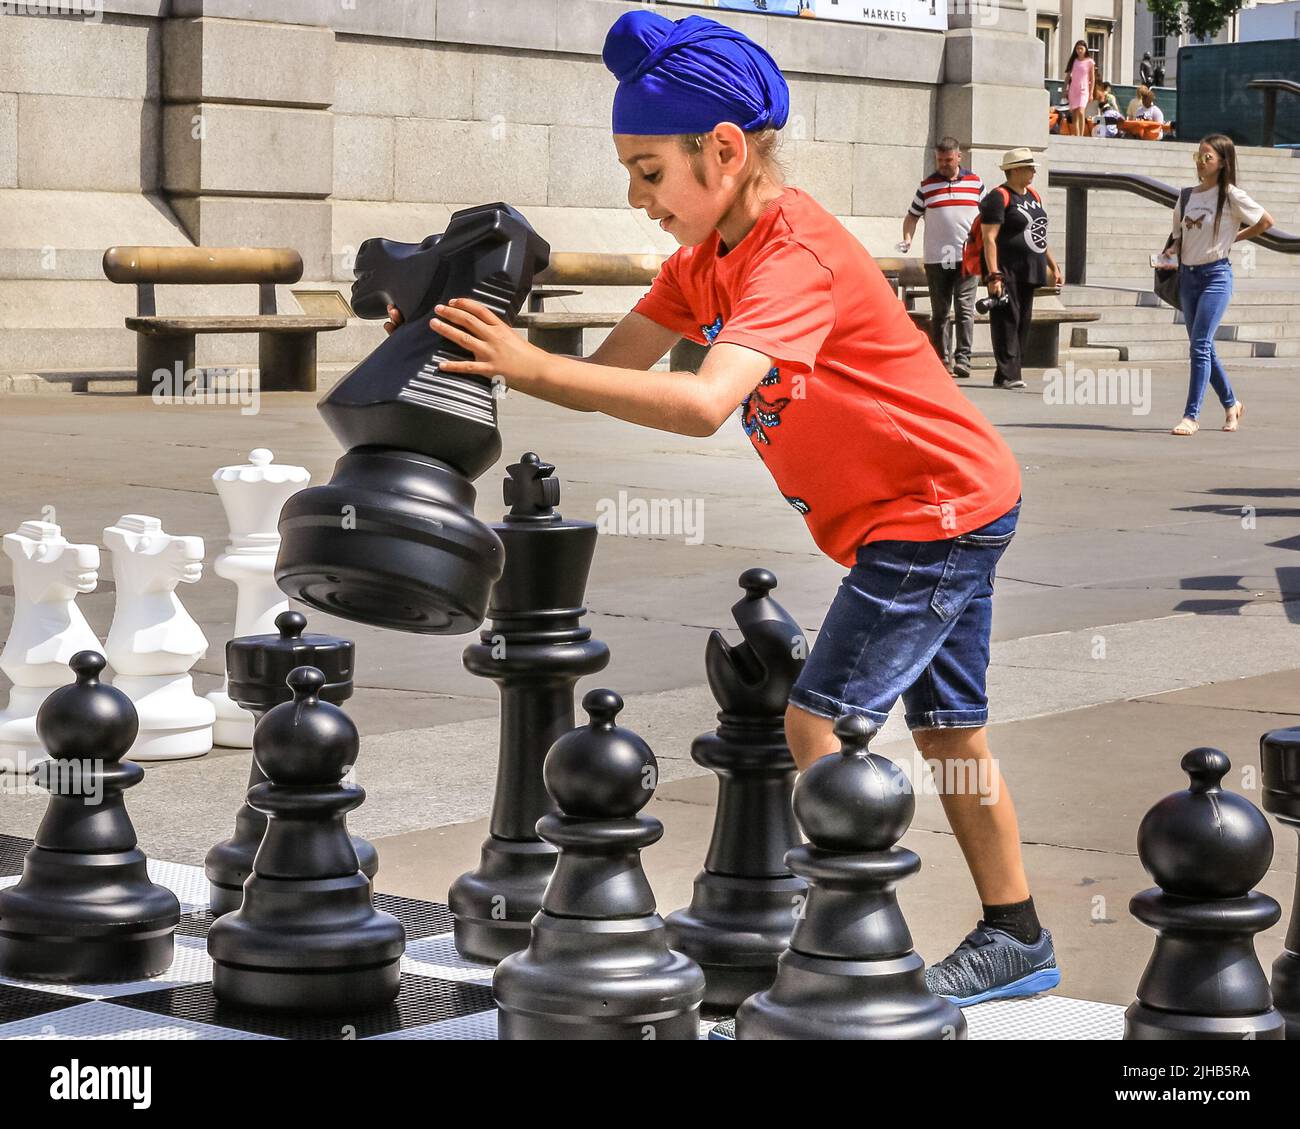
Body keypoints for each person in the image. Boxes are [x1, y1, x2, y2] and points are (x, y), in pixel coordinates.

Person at [389, 8, 1058, 1006]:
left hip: (934, 509)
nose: (636, 195)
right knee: (951, 731)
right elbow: (612, 370)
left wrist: (523, 363)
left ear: (725, 148)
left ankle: (835, 941)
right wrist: (467, 337)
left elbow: (704, 401)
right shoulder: (704, 261)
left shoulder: (793, 254)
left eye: (649, 170)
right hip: (937, 502)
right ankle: (1018, 936)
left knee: (814, 724)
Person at [1168, 134, 1274, 436]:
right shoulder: (1187, 195)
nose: (1201, 162)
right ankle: (1232, 404)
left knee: (1200, 345)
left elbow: (1266, 221)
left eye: (1207, 157)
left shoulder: (1230, 195)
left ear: (1222, 162)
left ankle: (1191, 415)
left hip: (1216, 276)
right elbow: (1177, 236)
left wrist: (1235, 237)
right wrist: (1169, 253)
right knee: (1203, 346)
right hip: (1188, 276)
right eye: (1198, 156)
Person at [979, 148, 1064, 389]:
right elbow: (989, 238)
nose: (1034, 172)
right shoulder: (999, 197)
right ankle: (1009, 374)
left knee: (1022, 321)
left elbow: (1038, 233)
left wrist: (1053, 264)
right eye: (1029, 167)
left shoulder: (1033, 195)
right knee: (1007, 319)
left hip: (1030, 269)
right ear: (1014, 170)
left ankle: (1006, 373)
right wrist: (993, 274)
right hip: (1007, 270)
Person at [903, 137, 984, 379]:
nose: (944, 165)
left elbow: (988, 218)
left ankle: (963, 359)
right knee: (940, 311)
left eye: (948, 160)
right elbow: (912, 216)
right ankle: (941, 358)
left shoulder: (976, 183)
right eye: (940, 160)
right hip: (937, 258)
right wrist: (908, 239)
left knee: (964, 308)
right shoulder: (927, 186)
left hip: (967, 257)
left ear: (959, 157)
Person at [1064, 40, 1095, 136]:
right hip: (1073, 89)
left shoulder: (1090, 62)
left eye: (1081, 48)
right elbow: (1068, 76)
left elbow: (1092, 78)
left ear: (1085, 49)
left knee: (1081, 111)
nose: (1079, 51)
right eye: (1078, 48)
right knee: (1075, 113)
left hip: (1084, 89)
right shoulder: (1074, 61)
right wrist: (1065, 88)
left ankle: (1081, 135)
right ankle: (1077, 135)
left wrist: (1091, 93)